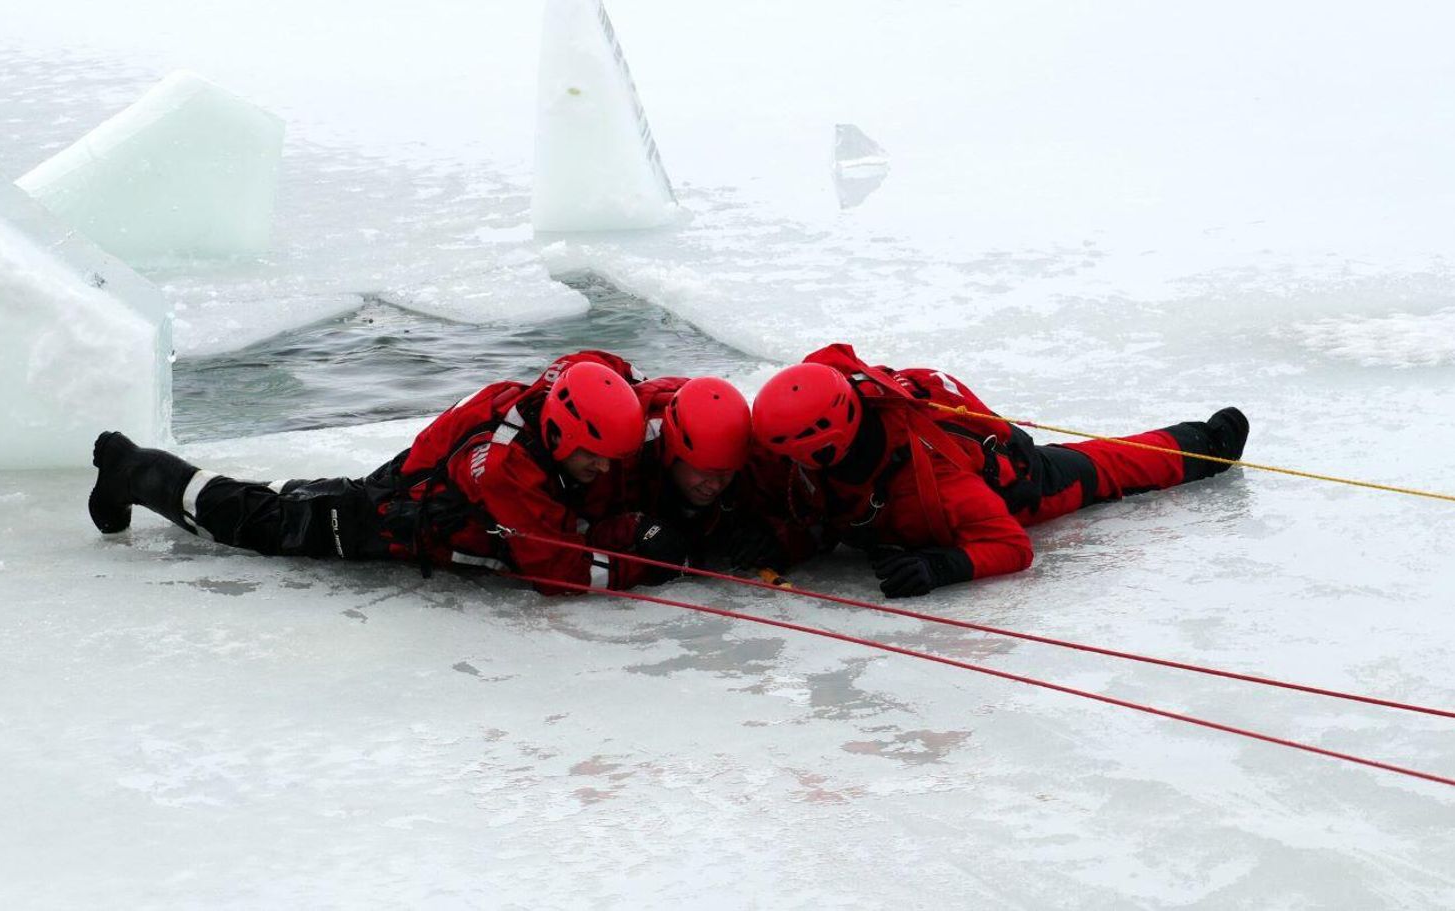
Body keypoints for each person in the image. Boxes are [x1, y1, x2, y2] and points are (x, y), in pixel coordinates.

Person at [87, 351, 691, 595]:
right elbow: (559, 568)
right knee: (261, 523)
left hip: (413, 478)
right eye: (592, 457)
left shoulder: (575, 387)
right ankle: (133, 470)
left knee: (300, 498)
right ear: (559, 432)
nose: (603, 468)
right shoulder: (508, 466)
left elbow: (631, 380)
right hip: (394, 518)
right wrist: (647, 557)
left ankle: (140, 469)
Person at [743, 343, 1250, 598]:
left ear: (830, 444)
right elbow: (824, 517)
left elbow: (1013, 547)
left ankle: (1206, 443)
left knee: (1107, 467)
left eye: (797, 455)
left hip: (1015, 485)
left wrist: (940, 569)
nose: (788, 466)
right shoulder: (815, 464)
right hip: (916, 502)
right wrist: (785, 543)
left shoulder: (936, 479)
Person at [584, 375, 753, 566]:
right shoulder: (622, 457)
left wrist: (768, 537)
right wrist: (635, 529)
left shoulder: (744, 447)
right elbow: (583, 529)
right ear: (673, 454)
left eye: (725, 472)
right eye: (705, 472)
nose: (715, 485)